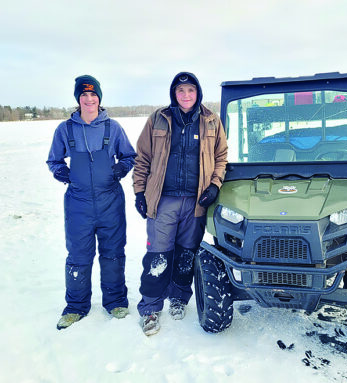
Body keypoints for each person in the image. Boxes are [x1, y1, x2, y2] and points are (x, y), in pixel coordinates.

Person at [133, 71, 228, 336]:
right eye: (180, 91)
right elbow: (142, 157)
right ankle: (150, 307)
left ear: (198, 93)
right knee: (158, 255)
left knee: (187, 253)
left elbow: (221, 156)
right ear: (174, 94)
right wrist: (140, 192)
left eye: (191, 91)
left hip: (195, 202)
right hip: (164, 200)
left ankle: (178, 297)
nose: (186, 96)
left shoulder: (211, 121)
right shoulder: (158, 120)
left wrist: (214, 185)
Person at [47, 75, 136, 330]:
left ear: (99, 98)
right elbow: (54, 160)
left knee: (113, 254)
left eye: (93, 95)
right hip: (78, 204)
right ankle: (76, 306)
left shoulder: (113, 128)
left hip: (110, 202)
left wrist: (120, 170)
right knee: (78, 256)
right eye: (83, 95)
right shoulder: (65, 129)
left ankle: (116, 301)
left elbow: (129, 156)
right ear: (78, 99)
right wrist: (61, 173)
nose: (89, 99)